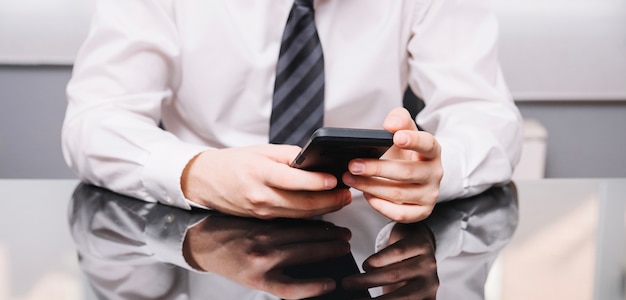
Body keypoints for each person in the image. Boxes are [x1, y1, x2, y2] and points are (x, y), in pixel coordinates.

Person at [62, 0, 522, 223]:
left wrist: (442, 168)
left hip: (368, 222)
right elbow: (94, 121)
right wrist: (196, 172)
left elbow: (486, 114)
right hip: (205, 223)